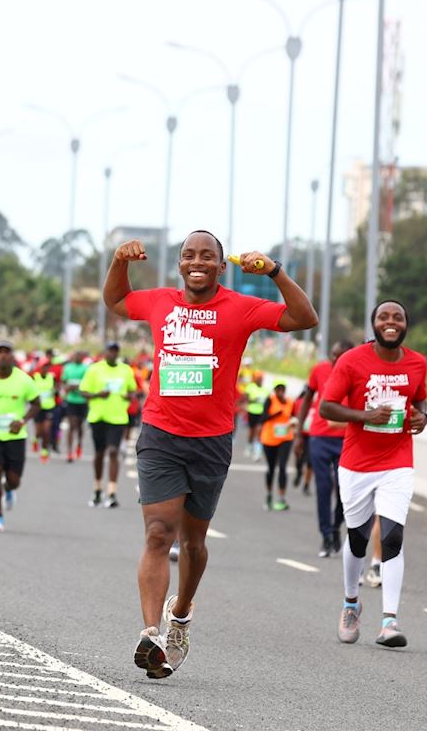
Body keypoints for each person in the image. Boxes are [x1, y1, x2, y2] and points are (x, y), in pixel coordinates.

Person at [104, 231, 317, 678]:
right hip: (161, 433)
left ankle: (180, 614)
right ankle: (152, 632)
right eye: (188, 255)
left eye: (206, 256)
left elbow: (304, 318)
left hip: (211, 441)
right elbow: (117, 301)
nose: (195, 261)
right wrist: (119, 261)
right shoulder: (161, 301)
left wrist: (275, 271)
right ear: (179, 264)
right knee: (159, 533)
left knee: (194, 543)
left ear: (221, 266)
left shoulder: (241, 306)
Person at [319, 300, 427, 650]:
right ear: (374, 324)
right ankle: (351, 602)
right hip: (356, 464)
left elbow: (420, 401)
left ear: (406, 324)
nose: (391, 322)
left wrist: (422, 418)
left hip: (397, 462)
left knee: (393, 536)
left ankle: (389, 621)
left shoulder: (417, 363)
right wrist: (366, 416)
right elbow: (326, 406)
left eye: (398, 317)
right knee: (358, 538)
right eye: (384, 317)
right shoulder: (352, 360)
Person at [0, 341, 42, 532]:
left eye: (7, 352)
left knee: (13, 480)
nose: (3, 356)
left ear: (12, 357)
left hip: (15, 436)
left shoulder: (24, 380)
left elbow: (37, 403)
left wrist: (23, 421)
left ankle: (9, 489)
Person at [295, 340, 355, 557]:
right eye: (333, 355)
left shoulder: (358, 371)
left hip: (347, 439)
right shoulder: (320, 370)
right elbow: (306, 400)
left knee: (343, 489)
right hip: (319, 437)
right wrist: (299, 434)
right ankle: (326, 535)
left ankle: (336, 526)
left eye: (341, 356)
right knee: (323, 486)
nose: (336, 360)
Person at [80, 342, 139, 507]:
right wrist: (98, 394)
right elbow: (83, 391)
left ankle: (112, 492)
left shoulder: (125, 370)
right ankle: (97, 489)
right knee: (99, 453)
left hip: (118, 417)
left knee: (113, 451)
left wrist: (130, 396)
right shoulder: (94, 369)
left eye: (115, 351)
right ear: (104, 352)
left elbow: (133, 390)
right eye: (110, 351)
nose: (112, 354)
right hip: (98, 417)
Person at [259, 383, 298, 511]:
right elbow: (263, 418)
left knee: (282, 467)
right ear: (275, 390)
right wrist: (276, 414)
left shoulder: (290, 402)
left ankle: (281, 498)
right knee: (271, 468)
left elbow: (295, 416)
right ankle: (269, 495)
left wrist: (294, 422)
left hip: (285, 438)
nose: (280, 392)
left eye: (282, 389)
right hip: (269, 439)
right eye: (278, 389)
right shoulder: (270, 400)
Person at [60, 350, 91, 462]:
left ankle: (79, 444)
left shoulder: (86, 368)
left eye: (80, 356)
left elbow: (89, 383)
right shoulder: (67, 367)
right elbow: (63, 382)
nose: (78, 357)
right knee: (72, 425)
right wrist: (67, 387)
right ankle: (69, 452)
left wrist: (77, 386)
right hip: (71, 400)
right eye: (76, 355)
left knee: (79, 426)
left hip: (82, 401)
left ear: (82, 357)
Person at [31, 360, 59, 462]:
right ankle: (35, 439)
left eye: (47, 367)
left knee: (46, 430)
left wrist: (56, 391)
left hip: (49, 407)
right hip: (37, 408)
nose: (46, 369)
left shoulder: (52, 377)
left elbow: (57, 388)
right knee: (39, 431)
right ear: (40, 367)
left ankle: (44, 450)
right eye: (44, 366)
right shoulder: (35, 377)